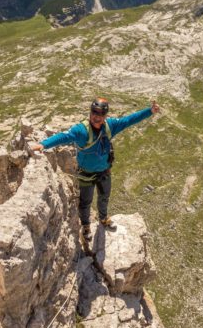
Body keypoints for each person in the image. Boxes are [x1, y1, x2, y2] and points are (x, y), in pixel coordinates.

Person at [32, 98, 160, 241]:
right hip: (86, 173)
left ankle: (103, 218)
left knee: (104, 197)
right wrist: (43, 144)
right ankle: (86, 226)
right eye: (94, 113)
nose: (96, 117)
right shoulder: (81, 131)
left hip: (104, 171)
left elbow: (129, 120)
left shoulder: (110, 126)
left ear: (105, 116)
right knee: (86, 202)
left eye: (100, 114)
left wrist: (149, 111)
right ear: (90, 112)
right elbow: (64, 136)